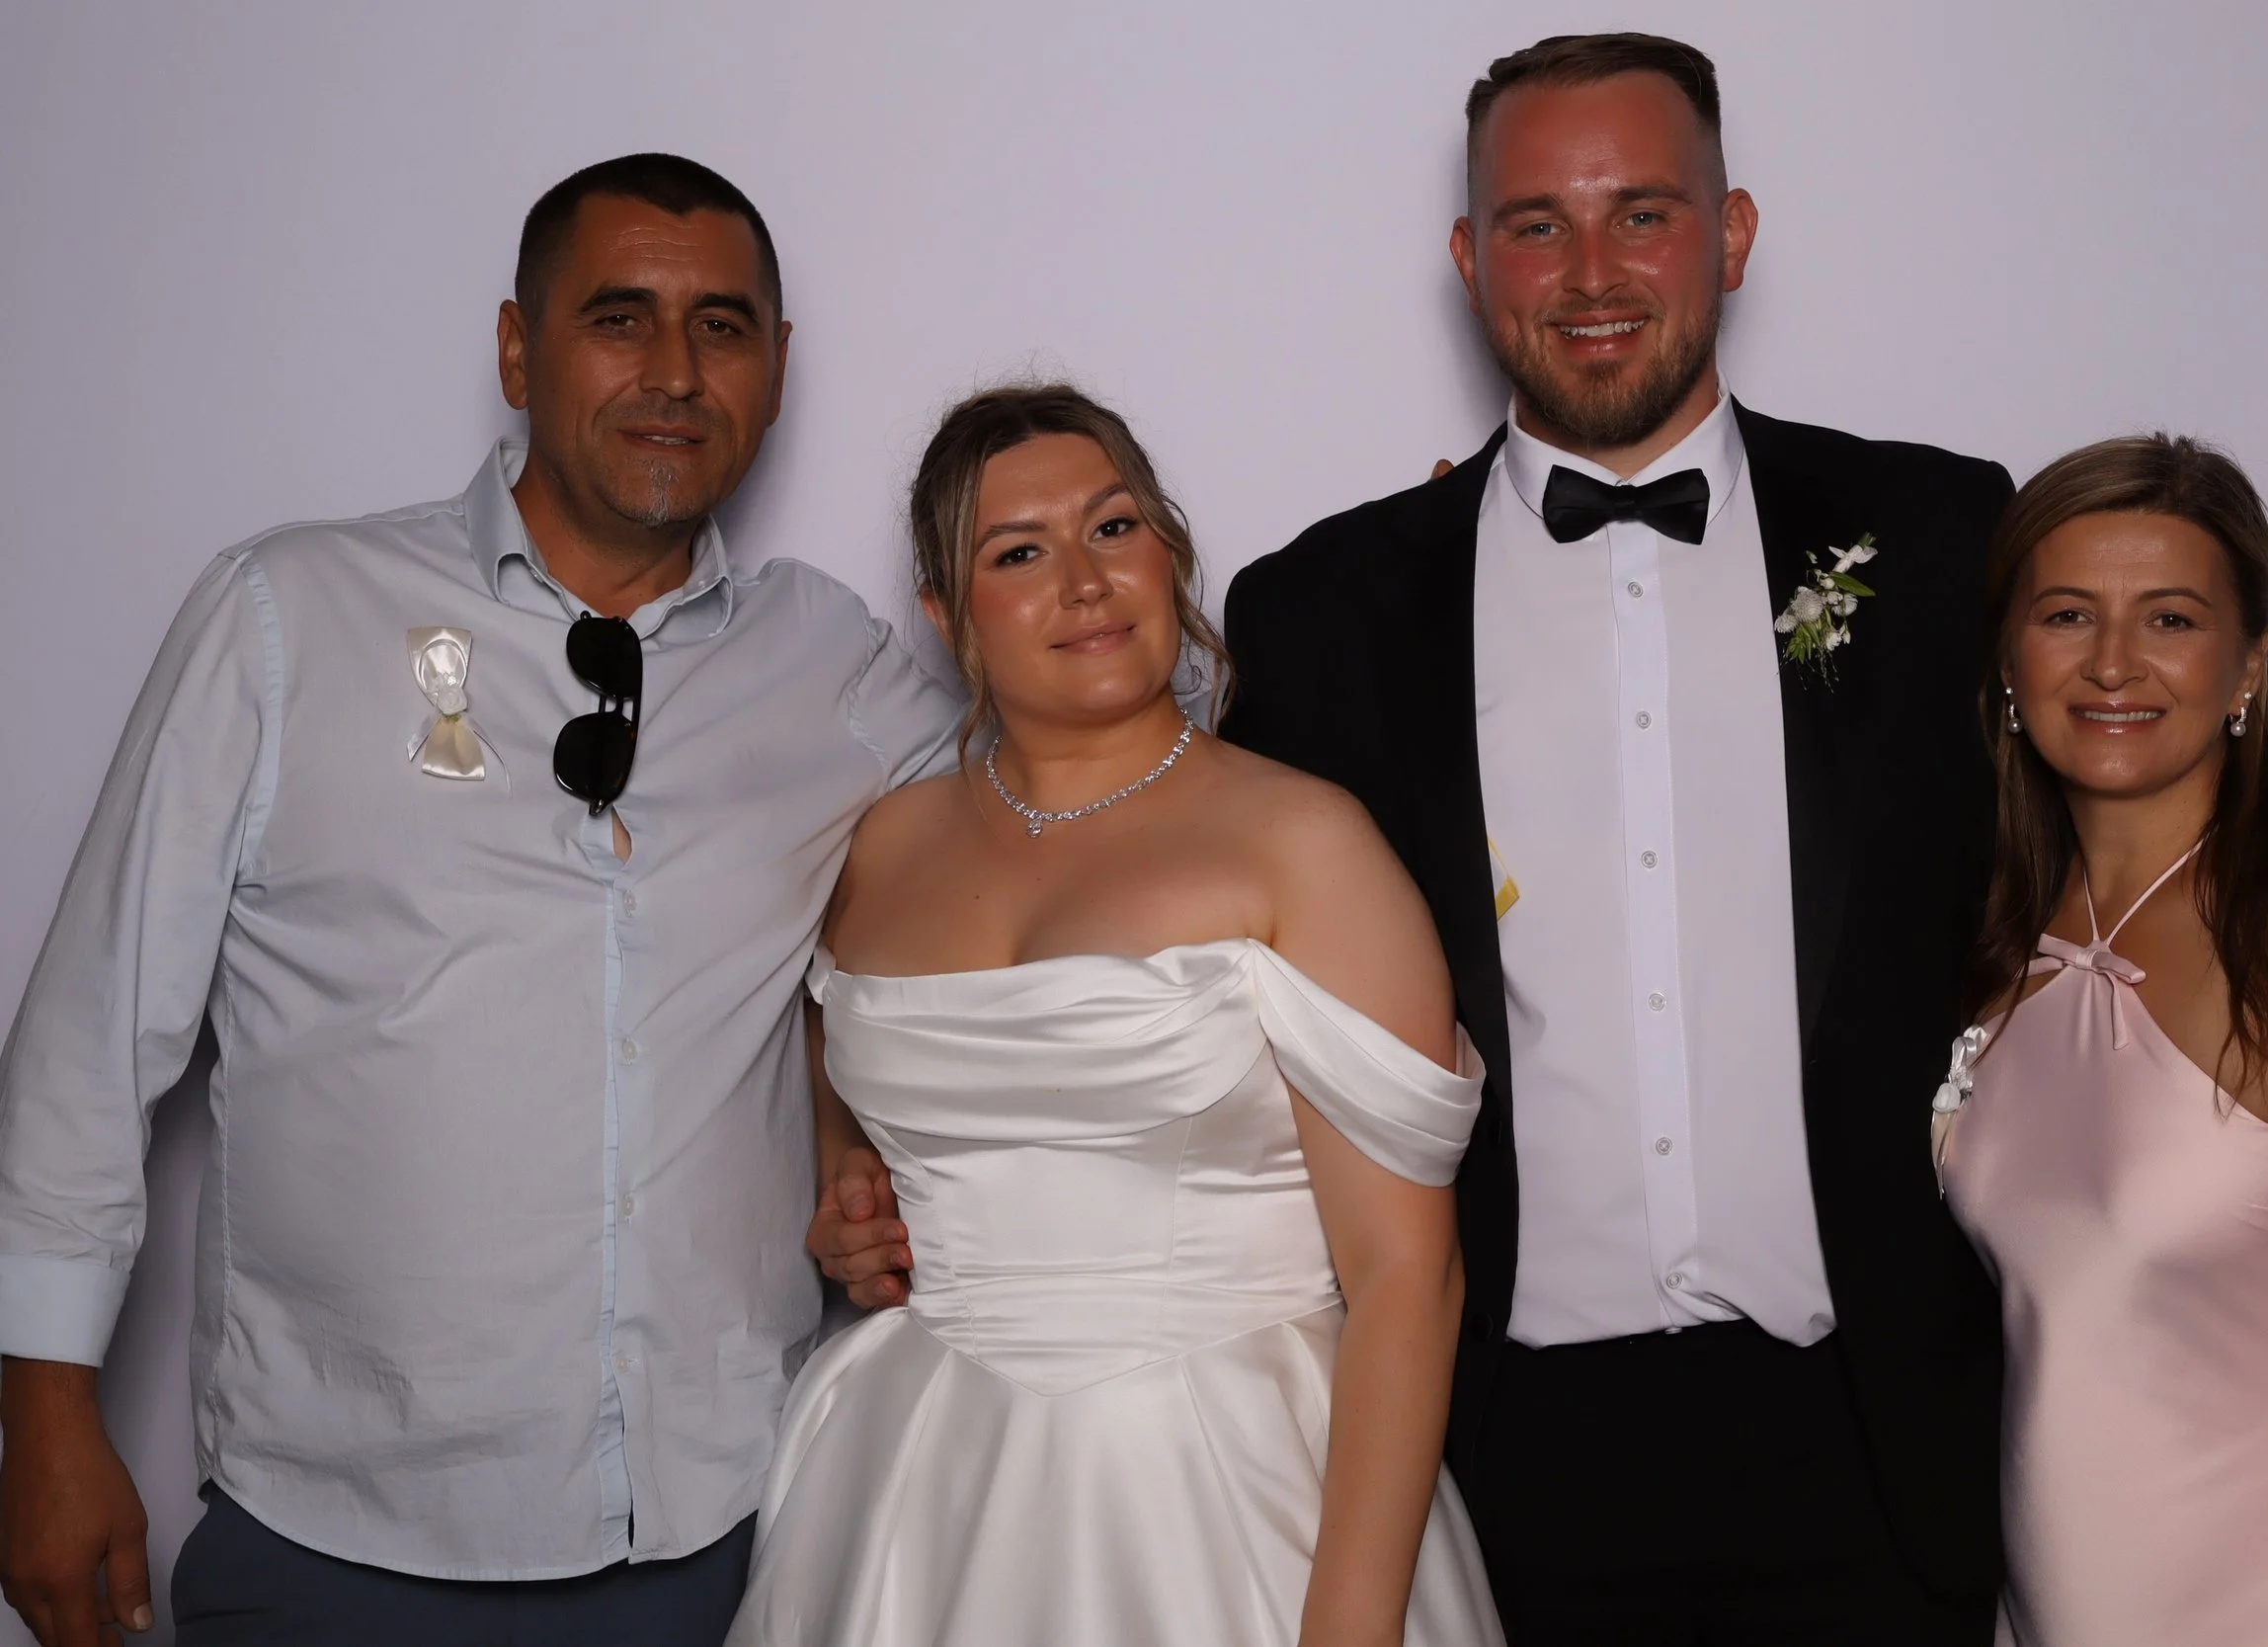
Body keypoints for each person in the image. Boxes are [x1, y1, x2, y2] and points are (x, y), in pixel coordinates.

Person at [0, 154, 954, 1647]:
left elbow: (1060, 815)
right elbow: (87, 1040)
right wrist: (45, 1418)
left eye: (721, 327)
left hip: (718, 1529)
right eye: (618, 318)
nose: (673, 370)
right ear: (518, 349)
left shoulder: (831, 667)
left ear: (774, 367)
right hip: (335, 1526)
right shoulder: (286, 614)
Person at [1212, 31, 2013, 1643]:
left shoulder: (1939, 543)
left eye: (1643, 213)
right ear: (1469, 259)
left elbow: (2086, 890)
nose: (1591, 273)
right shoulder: (1321, 613)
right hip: (1491, 1453)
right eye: (1537, 224)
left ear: (1732, 234)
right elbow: (1221, 987)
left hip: (1875, 1440)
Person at [727, 383, 1503, 1647]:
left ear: (1169, 552)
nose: (1084, 582)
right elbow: (854, 1114)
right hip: (916, 1484)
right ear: (945, 612)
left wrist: (1350, 1624)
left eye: (1113, 527)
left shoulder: (1305, 841)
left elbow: (1409, 1277)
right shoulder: (878, 848)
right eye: (1018, 552)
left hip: (1233, 1493)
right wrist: (848, 1200)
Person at [1933, 435, 2268, 1647]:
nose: (2112, 661)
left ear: (2248, 666)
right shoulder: (1995, 943)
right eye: (2066, 614)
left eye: (2169, 618)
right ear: (2009, 659)